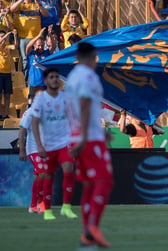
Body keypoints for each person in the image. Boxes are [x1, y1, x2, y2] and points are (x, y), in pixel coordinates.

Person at [65, 42, 113, 248]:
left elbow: (76, 108)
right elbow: (84, 104)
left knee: (89, 185)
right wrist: (87, 136)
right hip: (89, 139)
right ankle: (93, 227)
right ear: (92, 56)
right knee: (105, 180)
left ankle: (86, 233)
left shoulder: (72, 77)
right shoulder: (87, 76)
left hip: (79, 135)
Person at [31, 68, 77, 220]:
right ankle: (48, 210)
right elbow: (35, 123)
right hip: (48, 144)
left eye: (57, 77)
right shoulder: (41, 99)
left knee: (69, 168)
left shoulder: (65, 98)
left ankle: (66, 207)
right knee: (48, 176)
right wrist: (39, 145)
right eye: (52, 77)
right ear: (46, 81)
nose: (55, 79)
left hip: (64, 143)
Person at [19, 95, 44, 214]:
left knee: (40, 176)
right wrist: (22, 149)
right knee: (42, 173)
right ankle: (36, 204)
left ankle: (37, 204)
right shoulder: (29, 113)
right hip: (33, 149)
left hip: (45, 150)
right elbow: (22, 130)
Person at [10, 0, 49, 76]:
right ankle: (25, 79)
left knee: (38, 58)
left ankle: (39, 76)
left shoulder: (36, 4)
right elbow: (12, 9)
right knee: (24, 60)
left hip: (36, 37)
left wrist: (39, 4)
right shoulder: (20, 5)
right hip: (23, 37)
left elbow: (46, 14)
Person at [26, 27, 50, 105]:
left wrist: (50, 35)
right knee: (32, 107)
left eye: (42, 45)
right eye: (39, 45)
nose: (40, 47)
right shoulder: (31, 54)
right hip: (33, 85)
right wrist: (39, 35)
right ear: (35, 45)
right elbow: (28, 47)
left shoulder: (46, 53)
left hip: (44, 85)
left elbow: (52, 46)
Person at [0, 29, 17, 120]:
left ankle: (6, 114)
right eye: (1, 37)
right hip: (0, 73)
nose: (3, 39)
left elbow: (15, 47)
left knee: (7, 95)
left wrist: (14, 36)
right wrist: (6, 35)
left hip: (7, 74)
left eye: (4, 37)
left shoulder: (7, 47)